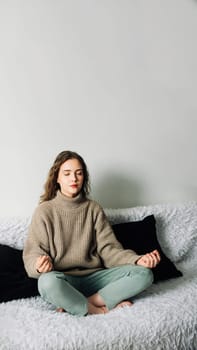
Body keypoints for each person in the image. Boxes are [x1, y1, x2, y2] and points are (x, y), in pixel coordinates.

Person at [23, 150, 161, 316]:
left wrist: (137, 260)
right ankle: (99, 309)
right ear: (57, 178)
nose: (74, 179)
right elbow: (32, 254)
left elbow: (109, 250)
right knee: (46, 282)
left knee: (144, 274)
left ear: (84, 177)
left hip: (96, 278)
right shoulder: (44, 211)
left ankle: (82, 304)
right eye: (67, 174)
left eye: (79, 173)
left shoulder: (94, 209)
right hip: (64, 280)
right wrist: (38, 266)